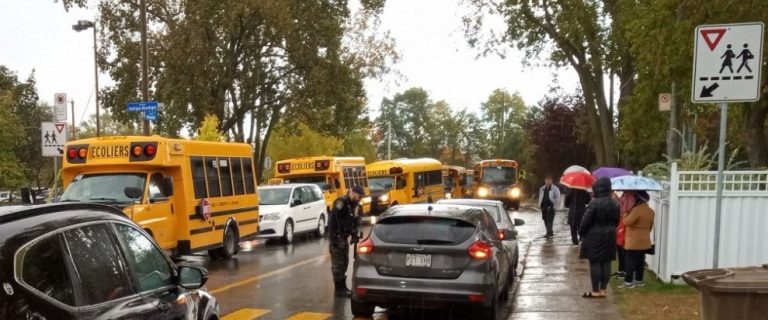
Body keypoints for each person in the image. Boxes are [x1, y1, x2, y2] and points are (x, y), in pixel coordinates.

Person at [579, 177, 620, 298]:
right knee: (606, 262)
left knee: (595, 262)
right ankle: (603, 290)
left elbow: (585, 221)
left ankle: (595, 291)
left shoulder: (594, 203)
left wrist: (582, 232)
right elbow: (617, 221)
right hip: (610, 235)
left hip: (594, 236)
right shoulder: (615, 204)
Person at [328, 185, 365, 297]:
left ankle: (343, 287)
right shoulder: (341, 203)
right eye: (359, 196)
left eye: (361, 197)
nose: (360, 198)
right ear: (352, 192)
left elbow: (356, 222)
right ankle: (338, 289)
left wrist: (355, 233)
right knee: (338, 264)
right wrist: (335, 238)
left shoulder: (357, 206)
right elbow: (332, 221)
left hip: (344, 238)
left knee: (344, 263)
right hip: (337, 238)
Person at [620, 191, 655, 288]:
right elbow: (651, 226)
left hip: (633, 242)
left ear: (637, 199)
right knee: (640, 261)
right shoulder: (650, 210)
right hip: (644, 240)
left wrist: (626, 213)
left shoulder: (636, 210)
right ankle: (639, 280)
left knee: (630, 262)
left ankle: (628, 282)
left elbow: (627, 222)